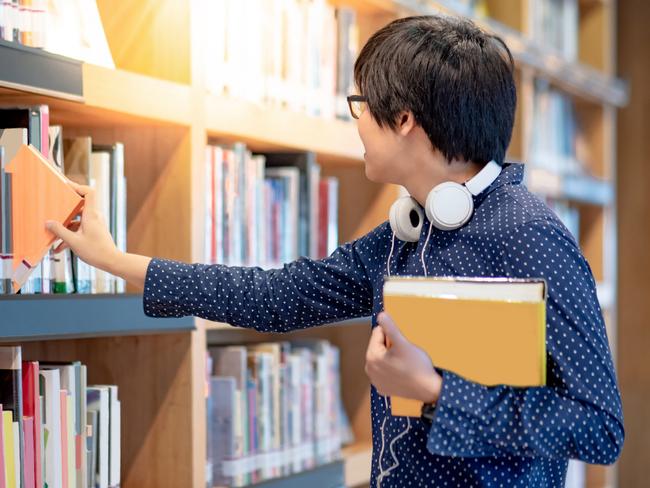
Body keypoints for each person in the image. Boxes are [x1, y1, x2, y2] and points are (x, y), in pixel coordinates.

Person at [47, 14, 624, 487]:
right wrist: (114, 259)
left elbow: (599, 427)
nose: (356, 122)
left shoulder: (529, 235)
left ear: (404, 120)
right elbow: (276, 297)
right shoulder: (409, 231)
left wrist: (434, 390)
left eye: (361, 105)